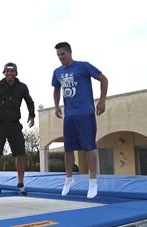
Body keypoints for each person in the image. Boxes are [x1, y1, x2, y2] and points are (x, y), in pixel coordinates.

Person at [51, 42, 108, 199]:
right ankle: (69, 179)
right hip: (69, 115)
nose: (60, 57)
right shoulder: (57, 72)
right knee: (68, 148)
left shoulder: (83, 66)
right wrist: (56, 106)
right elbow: (56, 89)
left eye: (62, 54)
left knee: (89, 147)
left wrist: (102, 101)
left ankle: (93, 182)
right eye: (58, 55)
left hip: (85, 112)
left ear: (69, 52)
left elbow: (104, 79)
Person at [0, 63, 35, 196]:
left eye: (12, 71)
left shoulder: (22, 87)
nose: (9, 73)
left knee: (21, 154)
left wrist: (32, 115)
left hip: (14, 124)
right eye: (7, 71)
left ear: (16, 73)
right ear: (3, 72)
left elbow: (29, 102)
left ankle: (20, 183)